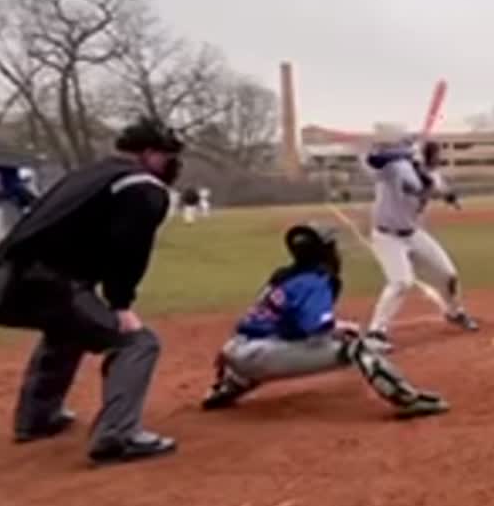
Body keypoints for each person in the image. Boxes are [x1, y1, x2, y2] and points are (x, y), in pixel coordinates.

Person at [0, 118, 183, 465]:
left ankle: (37, 418)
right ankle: (118, 436)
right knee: (137, 342)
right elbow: (130, 246)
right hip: (47, 281)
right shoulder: (141, 186)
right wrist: (121, 304)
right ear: (149, 154)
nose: (170, 163)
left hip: (5, 278)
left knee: (68, 329)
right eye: (166, 155)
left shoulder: (90, 175)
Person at [201, 224, 448, 418]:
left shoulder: (284, 276)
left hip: (234, 352)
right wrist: (341, 328)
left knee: (281, 341)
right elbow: (313, 327)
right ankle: (405, 398)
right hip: (261, 356)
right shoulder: (316, 280)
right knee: (357, 347)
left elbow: (274, 320)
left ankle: (227, 387)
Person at [365, 136, 479, 350]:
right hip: (387, 236)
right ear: (422, 155)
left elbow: (443, 190)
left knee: (448, 275)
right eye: (436, 155)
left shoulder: (432, 175)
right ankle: (376, 332)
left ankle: (454, 312)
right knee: (401, 282)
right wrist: (405, 153)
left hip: (413, 234)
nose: (439, 159)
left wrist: (450, 198)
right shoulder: (395, 168)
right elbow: (374, 159)